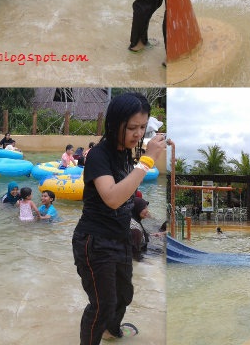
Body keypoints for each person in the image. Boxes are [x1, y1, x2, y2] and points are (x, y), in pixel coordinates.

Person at [73, 92, 167, 344]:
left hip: (120, 237)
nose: (139, 134)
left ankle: (110, 330)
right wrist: (147, 161)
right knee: (102, 305)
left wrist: (138, 207)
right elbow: (112, 197)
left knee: (124, 296)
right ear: (115, 125)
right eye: (132, 127)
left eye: (143, 127)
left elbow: (125, 194)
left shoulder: (125, 153)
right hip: (94, 241)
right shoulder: (98, 156)